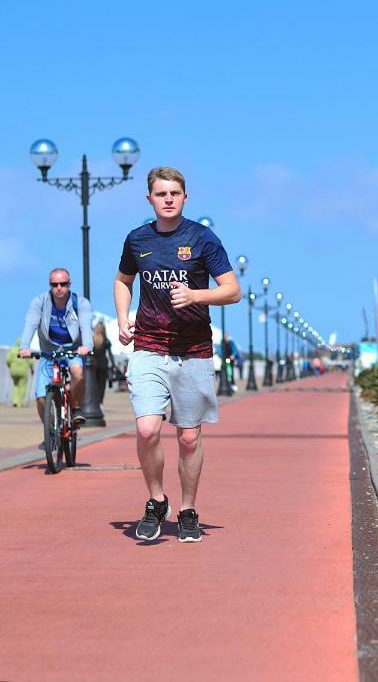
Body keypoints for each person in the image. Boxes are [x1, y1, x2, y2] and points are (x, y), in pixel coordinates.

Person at [114, 167, 241, 543]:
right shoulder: (137, 240)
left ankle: (187, 509)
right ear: (149, 199)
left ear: (185, 197)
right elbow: (123, 281)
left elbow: (232, 290)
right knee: (146, 428)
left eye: (174, 193)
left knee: (188, 438)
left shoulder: (203, 239)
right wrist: (123, 319)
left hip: (194, 350)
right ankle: (156, 499)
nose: (168, 199)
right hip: (149, 345)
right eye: (160, 193)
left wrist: (196, 295)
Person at [18, 268, 91, 430]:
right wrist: (24, 347)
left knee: (78, 372)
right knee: (41, 397)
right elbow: (30, 323)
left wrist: (87, 346)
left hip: (73, 349)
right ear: (50, 285)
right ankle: (50, 433)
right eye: (55, 284)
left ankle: (75, 408)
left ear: (69, 284)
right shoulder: (40, 302)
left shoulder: (81, 303)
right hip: (49, 352)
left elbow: (86, 327)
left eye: (63, 284)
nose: (59, 288)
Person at [92, 321, 114, 402]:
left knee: (94, 384)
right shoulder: (106, 340)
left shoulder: (92, 340)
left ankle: (94, 401)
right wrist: (114, 365)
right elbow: (110, 354)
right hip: (103, 364)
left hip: (93, 364)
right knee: (102, 384)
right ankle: (100, 402)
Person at [6, 337, 32, 408]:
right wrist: (32, 369)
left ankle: (15, 401)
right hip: (23, 371)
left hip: (13, 371)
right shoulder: (25, 350)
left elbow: (8, 360)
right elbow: (30, 362)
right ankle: (19, 402)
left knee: (16, 386)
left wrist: (10, 366)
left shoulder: (13, 350)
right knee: (22, 387)